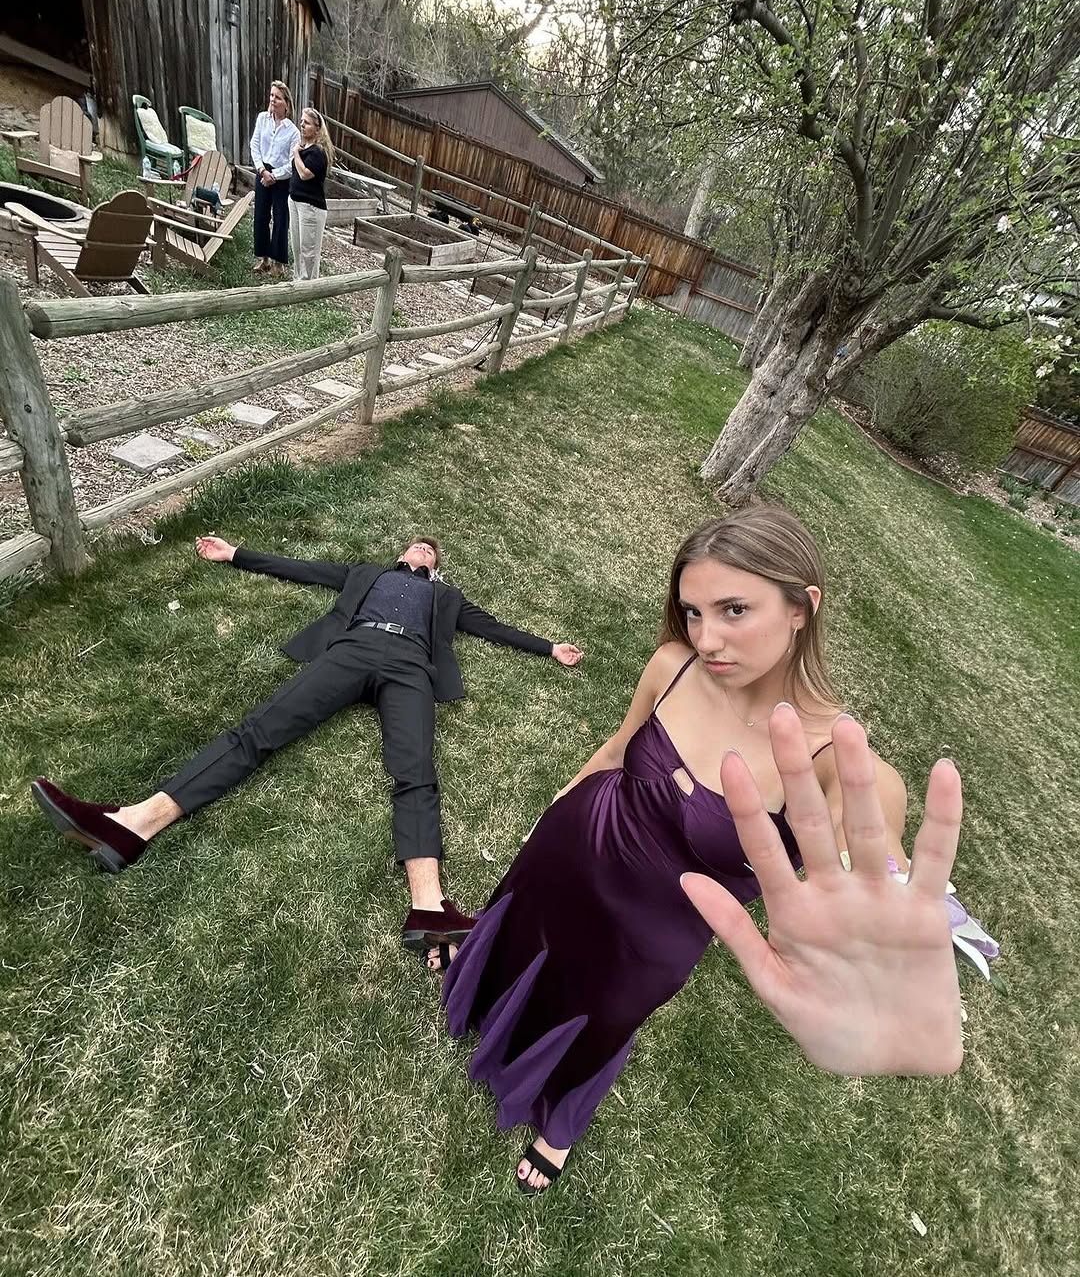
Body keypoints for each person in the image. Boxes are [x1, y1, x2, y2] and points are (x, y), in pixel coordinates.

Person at [439, 506, 972, 1196]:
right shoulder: (674, 665)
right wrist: (556, 806)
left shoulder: (839, 766)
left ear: (802, 608)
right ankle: (485, 1005)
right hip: (566, 853)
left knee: (602, 1016)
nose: (706, 638)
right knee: (524, 940)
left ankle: (560, 1124)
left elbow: (867, 868)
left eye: (733, 610)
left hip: (648, 936)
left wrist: (877, 952)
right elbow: (617, 749)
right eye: (693, 612)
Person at [31, 534, 584, 954]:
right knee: (258, 731)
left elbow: (492, 626)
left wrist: (548, 647)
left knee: (416, 771)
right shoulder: (366, 573)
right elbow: (304, 569)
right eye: (416, 544)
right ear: (401, 553)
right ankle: (136, 823)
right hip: (352, 650)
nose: (423, 549)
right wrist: (235, 554)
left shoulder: (447, 597)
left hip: (411, 666)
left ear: (437, 566)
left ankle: (430, 906)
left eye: (430, 550)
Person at [249, 80, 299, 276]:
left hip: (281, 179)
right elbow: (254, 146)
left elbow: (292, 164)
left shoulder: (293, 132)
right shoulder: (262, 119)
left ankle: (278, 264)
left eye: (277, 97)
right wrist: (262, 171)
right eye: (271, 95)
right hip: (263, 172)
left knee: (280, 218)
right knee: (261, 216)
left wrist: (274, 176)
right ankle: (264, 259)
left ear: (286, 103)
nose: (272, 100)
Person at [289, 107, 333, 282]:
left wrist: (295, 153)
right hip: (295, 201)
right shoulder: (303, 148)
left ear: (317, 129)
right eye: (301, 121)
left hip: (311, 207)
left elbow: (304, 174)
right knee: (297, 247)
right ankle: (298, 281)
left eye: (306, 123)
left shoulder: (318, 152)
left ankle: (309, 286)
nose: (302, 125)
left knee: (309, 251)